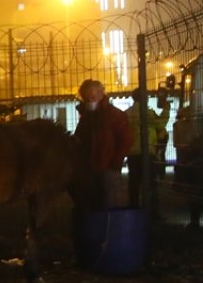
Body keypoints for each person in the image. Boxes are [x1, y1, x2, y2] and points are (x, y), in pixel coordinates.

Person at [73, 79, 133, 211]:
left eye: (92, 98)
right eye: (87, 99)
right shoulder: (87, 117)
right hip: (92, 170)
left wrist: (115, 164)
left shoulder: (114, 115)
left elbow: (126, 140)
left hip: (107, 169)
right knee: (97, 205)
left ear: (101, 94)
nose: (90, 102)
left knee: (109, 204)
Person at [125, 90, 171, 207]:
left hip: (132, 153)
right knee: (151, 183)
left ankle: (133, 208)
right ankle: (152, 210)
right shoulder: (147, 113)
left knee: (134, 183)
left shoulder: (127, 113)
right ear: (144, 99)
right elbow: (160, 124)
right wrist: (166, 109)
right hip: (147, 152)